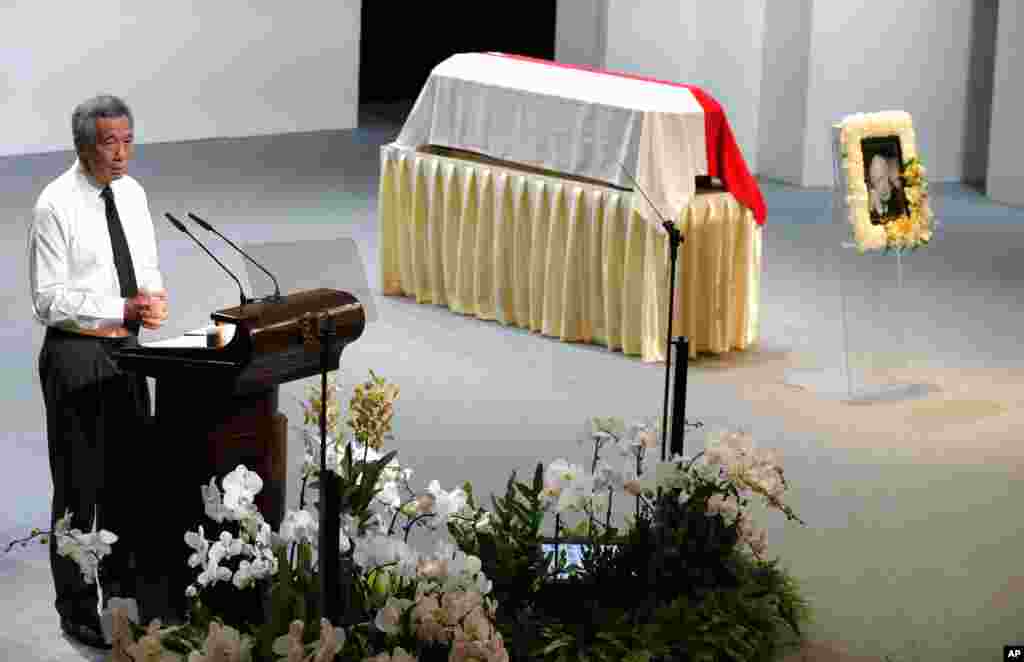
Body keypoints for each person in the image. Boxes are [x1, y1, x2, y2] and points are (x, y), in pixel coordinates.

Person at [28, 95, 169, 649]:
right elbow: (49, 299)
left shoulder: (132, 194)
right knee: (78, 488)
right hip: (76, 355)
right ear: (83, 145)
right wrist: (120, 310)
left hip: (129, 351)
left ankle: (123, 592)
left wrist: (151, 302)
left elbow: (145, 265)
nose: (121, 153)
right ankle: (75, 608)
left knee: (129, 477)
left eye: (128, 140)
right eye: (110, 142)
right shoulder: (54, 205)